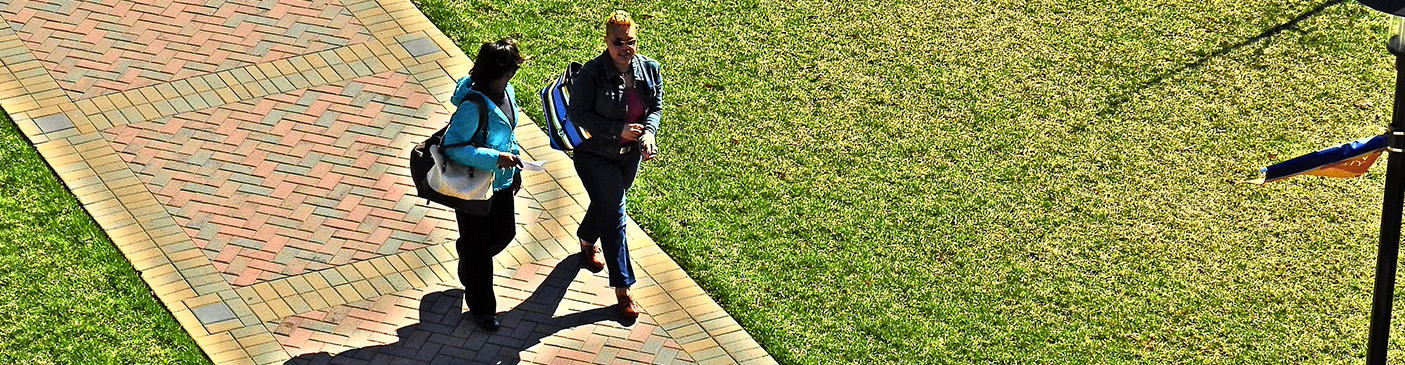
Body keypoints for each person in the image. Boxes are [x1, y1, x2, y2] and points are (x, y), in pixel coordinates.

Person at [567, 10, 663, 318]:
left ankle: (585, 239)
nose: (625, 48)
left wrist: (647, 134)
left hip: (628, 157)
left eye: (631, 41)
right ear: (607, 41)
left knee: (607, 203)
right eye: (618, 42)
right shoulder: (592, 75)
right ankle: (624, 289)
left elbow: (655, 107)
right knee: (615, 214)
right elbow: (577, 115)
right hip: (594, 156)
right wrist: (618, 130)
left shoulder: (649, 69)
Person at [443, 39, 526, 331]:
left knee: (505, 233)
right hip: (473, 185)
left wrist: (513, 167)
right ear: (499, 71)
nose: (515, 74)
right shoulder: (473, 104)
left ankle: (467, 254)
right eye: (512, 68)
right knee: (480, 253)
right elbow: (452, 147)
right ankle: (483, 309)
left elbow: (507, 133)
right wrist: (495, 158)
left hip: (501, 181)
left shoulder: (508, 92)